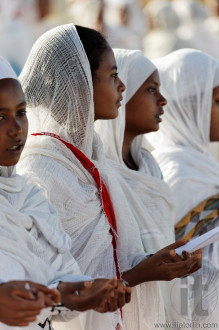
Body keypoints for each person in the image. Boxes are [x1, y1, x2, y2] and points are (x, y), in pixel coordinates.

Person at [18, 24, 201, 330]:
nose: (122, 87)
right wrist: (140, 275)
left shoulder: (96, 161)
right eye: (112, 75)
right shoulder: (41, 171)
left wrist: (156, 262)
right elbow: (51, 291)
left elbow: (113, 257)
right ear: (79, 85)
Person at [0, 56, 130, 329]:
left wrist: (83, 293)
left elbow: (58, 284)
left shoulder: (30, 198)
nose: (15, 129)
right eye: (0, 117)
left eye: (21, 113)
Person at [147, 48, 219, 325]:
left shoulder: (200, 163)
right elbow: (184, 271)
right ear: (191, 106)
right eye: (217, 101)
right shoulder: (178, 173)